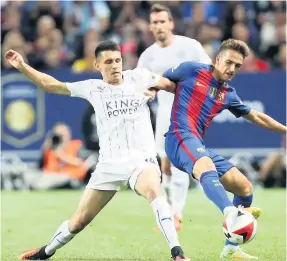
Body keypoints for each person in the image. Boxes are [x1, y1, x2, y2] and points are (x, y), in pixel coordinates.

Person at [5, 41, 190, 261]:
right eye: (109, 62)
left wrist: (156, 88)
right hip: (109, 166)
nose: (115, 66)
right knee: (79, 221)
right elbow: (51, 84)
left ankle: (177, 253)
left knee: (154, 191)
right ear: (97, 65)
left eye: (118, 60)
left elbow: (173, 85)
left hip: (141, 161)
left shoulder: (140, 77)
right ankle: (44, 253)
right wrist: (23, 66)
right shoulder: (92, 87)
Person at [151, 39, 287, 259]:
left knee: (244, 188)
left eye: (237, 66)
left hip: (197, 144)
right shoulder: (191, 69)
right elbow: (160, 79)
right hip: (178, 138)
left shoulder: (229, 94)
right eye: (228, 62)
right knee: (205, 164)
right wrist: (152, 89)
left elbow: (257, 116)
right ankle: (230, 213)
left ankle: (231, 248)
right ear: (217, 60)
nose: (232, 69)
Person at [137, 3, 211, 230]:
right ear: (150, 27)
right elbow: (141, 83)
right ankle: (170, 208)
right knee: (165, 164)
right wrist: (148, 91)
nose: (159, 26)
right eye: (155, 22)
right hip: (164, 112)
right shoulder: (148, 56)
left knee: (177, 162)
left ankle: (176, 213)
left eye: (162, 21)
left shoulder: (190, 47)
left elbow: (208, 71)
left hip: (187, 111)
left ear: (171, 24)